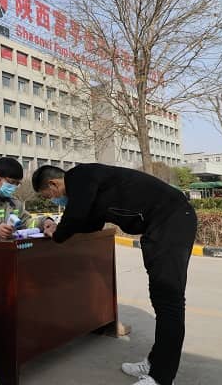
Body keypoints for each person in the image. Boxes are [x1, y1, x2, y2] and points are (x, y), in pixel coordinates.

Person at [32, 163, 197, 385]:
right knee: (161, 299)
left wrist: (58, 234)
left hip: (172, 220)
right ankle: (155, 363)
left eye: (49, 196)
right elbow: (90, 223)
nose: (54, 200)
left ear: (53, 184)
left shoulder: (80, 176)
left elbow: (76, 215)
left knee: (169, 302)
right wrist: (59, 229)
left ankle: (162, 378)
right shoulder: (90, 187)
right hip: (160, 225)